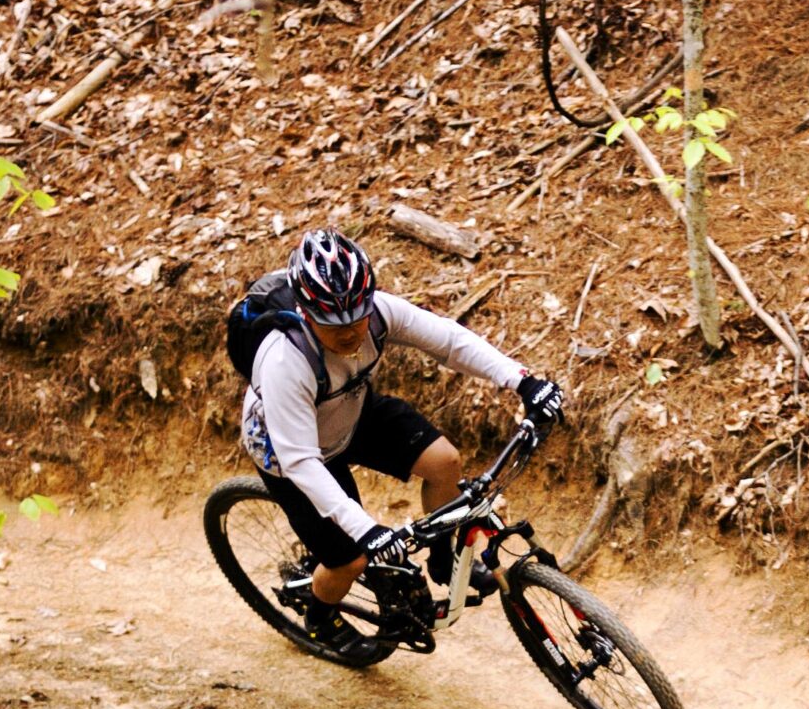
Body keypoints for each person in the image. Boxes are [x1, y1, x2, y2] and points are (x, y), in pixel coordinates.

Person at [238, 228, 564, 656]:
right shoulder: (285, 360)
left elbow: (449, 340)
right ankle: (319, 616)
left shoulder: (376, 313)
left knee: (445, 462)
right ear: (304, 311)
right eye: (333, 326)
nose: (351, 333)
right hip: (289, 451)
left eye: (358, 317)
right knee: (350, 559)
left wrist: (523, 381)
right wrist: (365, 529)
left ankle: (444, 562)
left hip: (349, 411)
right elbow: (301, 462)